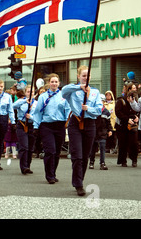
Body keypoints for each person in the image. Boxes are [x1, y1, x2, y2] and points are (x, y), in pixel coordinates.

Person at [62, 66, 102, 196]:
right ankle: (78, 184)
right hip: (76, 122)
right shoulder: (73, 90)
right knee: (77, 156)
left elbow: (98, 110)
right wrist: (79, 87)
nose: (86, 78)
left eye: (88, 76)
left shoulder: (95, 92)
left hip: (90, 124)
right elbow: (63, 91)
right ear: (78, 76)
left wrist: (88, 108)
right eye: (83, 75)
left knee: (85, 156)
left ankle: (80, 179)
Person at [33, 73, 70, 185]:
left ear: (59, 83)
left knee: (57, 152)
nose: (54, 84)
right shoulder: (43, 96)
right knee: (50, 151)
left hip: (59, 125)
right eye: (52, 82)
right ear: (49, 83)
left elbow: (68, 110)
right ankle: (49, 175)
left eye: (56, 82)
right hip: (47, 126)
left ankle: (53, 172)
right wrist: (36, 126)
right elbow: (38, 112)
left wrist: (68, 122)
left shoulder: (63, 96)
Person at [13, 85, 37, 174]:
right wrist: (24, 101)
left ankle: (28, 165)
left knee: (30, 148)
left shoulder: (36, 103)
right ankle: (23, 167)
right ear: (25, 93)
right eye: (28, 92)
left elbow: (38, 116)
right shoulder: (21, 101)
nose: (30, 94)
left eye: (32, 92)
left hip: (32, 125)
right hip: (22, 125)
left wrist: (31, 117)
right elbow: (13, 106)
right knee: (24, 146)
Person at [115, 82, 139, 167]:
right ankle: (123, 160)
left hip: (133, 125)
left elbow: (139, 110)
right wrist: (127, 119)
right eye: (133, 88)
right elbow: (118, 112)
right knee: (123, 143)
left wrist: (137, 117)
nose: (135, 90)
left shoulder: (136, 100)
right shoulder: (121, 100)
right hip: (122, 125)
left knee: (134, 143)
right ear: (128, 90)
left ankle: (134, 160)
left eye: (135, 88)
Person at [89, 94, 113, 170]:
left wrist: (110, 130)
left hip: (103, 132)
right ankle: (91, 162)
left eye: (102, 101)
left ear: (104, 102)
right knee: (93, 148)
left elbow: (108, 122)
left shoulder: (106, 112)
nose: (100, 102)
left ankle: (102, 163)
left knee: (102, 147)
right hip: (94, 132)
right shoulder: (93, 110)